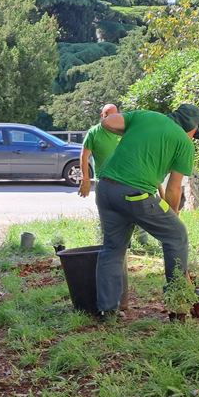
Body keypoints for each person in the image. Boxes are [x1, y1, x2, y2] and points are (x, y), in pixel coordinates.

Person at [95, 103, 199, 318]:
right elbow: (174, 188)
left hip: (105, 189)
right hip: (134, 194)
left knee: (112, 248)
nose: (193, 137)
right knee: (176, 235)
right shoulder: (184, 142)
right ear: (192, 127)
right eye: (195, 133)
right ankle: (179, 303)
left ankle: (107, 311)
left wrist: (131, 132)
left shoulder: (145, 116)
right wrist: (173, 215)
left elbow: (107, 121)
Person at [79, 104, 129, 311]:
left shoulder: (125, 130)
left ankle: (129, 245)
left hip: (128, 183)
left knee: (128, 229)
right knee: (112, 236)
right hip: (105, 184)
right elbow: (84, 156)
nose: (112, 117)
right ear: (102, 117)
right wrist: (85, 179)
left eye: (115, 114)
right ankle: (112, 303)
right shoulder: (94, 133)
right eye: (108, 115)